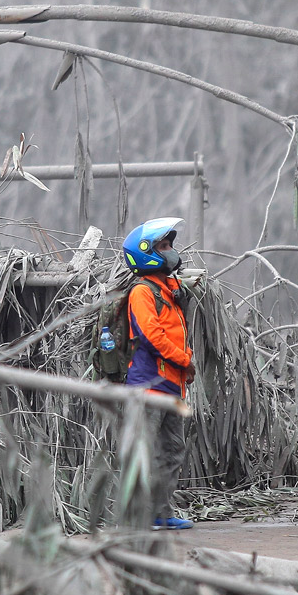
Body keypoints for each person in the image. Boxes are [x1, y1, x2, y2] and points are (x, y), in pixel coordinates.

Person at [121, 217, 196, 530]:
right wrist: (184, 360)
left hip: (171, 387)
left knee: (172, 452)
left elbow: (175, 333)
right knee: (145, 453)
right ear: (146, 253)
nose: (170, 252)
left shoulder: (168, 289)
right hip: (148, 387)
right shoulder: (142, 292)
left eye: (169, 246)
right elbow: (152, 337)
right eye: (163, 246)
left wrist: (184, 365)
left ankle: (160, 515)